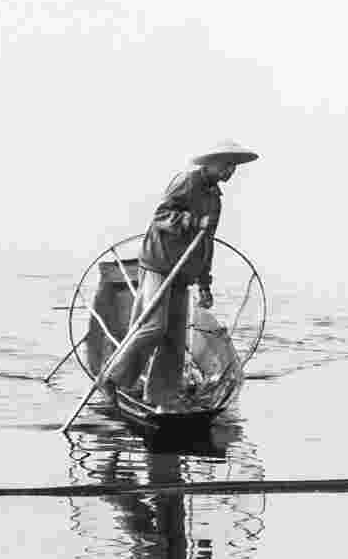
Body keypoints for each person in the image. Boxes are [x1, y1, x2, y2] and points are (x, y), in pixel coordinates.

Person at [104, 141, 258, 406]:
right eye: (226, 164)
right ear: (210, 163)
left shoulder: (214, 200)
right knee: (153, 327)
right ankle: (112, 377)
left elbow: (205, 244)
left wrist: (204, 284)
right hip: (160, 262)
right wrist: (192, 222)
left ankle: (161, 395)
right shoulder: (186, 181)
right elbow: (161, 216)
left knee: (175, 338)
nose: (231, 170)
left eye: (234, 166)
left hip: (183, 272)